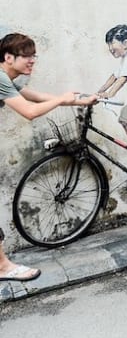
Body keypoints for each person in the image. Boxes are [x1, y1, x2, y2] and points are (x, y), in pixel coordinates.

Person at [0, 33, 97, 283]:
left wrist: (78, 100)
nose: (32, 61)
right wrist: (62, 99)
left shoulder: (8, 79)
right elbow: (30, 112)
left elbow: (35, 97)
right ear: (8, 58)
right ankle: (2, 266)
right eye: (26, 56)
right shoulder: (0, 77)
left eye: (34, 56)